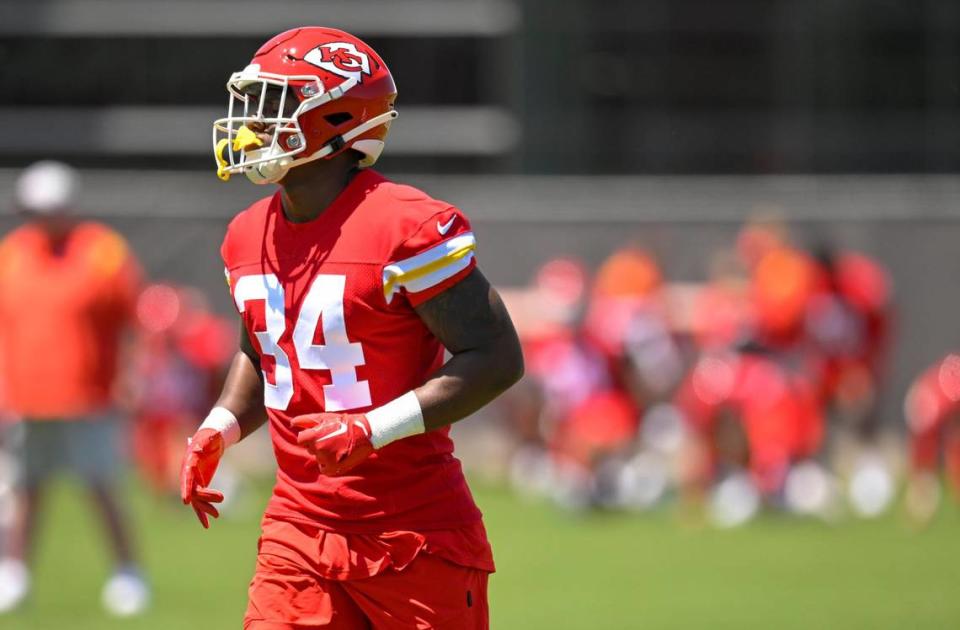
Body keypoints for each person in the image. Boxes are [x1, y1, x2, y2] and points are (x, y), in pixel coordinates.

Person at [180, 27, 523, 629]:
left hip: (412, 532)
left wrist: (372, 427)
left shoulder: (405, 226)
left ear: (337, 121)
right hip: (297, 525)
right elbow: (265, 356)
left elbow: (495, 356)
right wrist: (220, 428)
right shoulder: (245, 234)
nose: (255, 124)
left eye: (277, 104)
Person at [0, 161, 148, 615]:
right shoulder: (13, 252)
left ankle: (128, 572)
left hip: (90, 396)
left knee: (101, 486)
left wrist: (131, 374)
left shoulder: (102, 250)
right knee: (26, 489)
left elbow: (132, 318)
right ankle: (16, 572)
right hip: (25, 397)